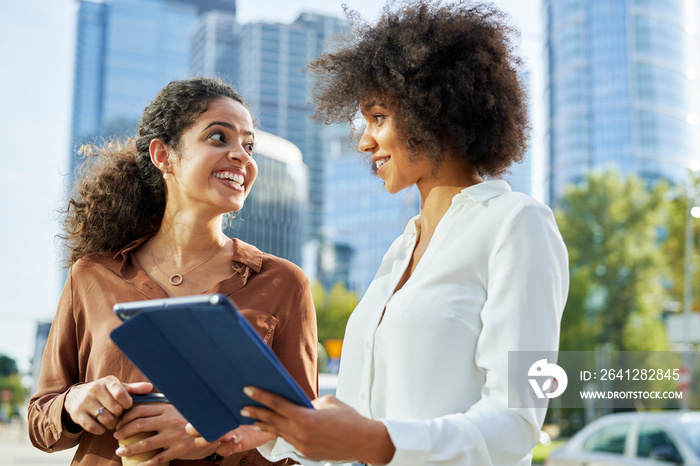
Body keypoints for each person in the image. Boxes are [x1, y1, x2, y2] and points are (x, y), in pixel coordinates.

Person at [189, 1, 569, 465]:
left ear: (436, 110)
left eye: (378, 117)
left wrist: (379, 443)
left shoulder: (517, 224)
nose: (364, 140)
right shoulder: (399, 251)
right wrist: (274, 434)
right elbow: (357, 422)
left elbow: (517, 422)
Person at [27, 77, 318, 466]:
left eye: (248, 145)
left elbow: (306, 435)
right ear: (163, 155)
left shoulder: (282, 284)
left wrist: (213, 434)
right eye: (219, 137)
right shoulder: (91, 275)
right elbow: (39, 417)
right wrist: (72, 404)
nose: (242, 156)